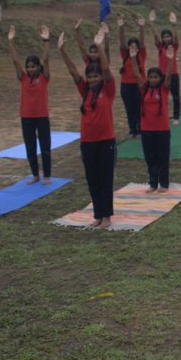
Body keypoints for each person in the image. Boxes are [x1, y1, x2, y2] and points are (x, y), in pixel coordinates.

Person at [58, 25, 117, 228]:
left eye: (95, 77)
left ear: (101, 77)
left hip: (106, 141)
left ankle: (107, 216)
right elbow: (73, 71)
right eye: (90, 77)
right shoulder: (85, 90)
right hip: (88, 142)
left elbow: (107, 69)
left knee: (105, 178)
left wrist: (99, 47)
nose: (92, 80)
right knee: (92, 179)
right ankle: (98, 215)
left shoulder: (108, 90)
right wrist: (62, 51)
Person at [127, 42, 176, 193]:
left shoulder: (164, 89)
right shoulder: (144, 89)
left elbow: (168, 76)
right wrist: (133, 58)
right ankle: (153, 183)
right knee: (150, 157)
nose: (153, 79)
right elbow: (136, 74)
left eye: (156, 77)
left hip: (162, 129)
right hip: (147, 129)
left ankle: (164, 184)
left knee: (162, 157)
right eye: (151, 77)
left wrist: (169, 60)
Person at [7, 24, 53, 185]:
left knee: (45, 147)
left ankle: (47, 175)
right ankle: (35, 174)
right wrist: (11, 41)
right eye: (28, 67)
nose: (30, 69)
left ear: (38, 67)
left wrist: (46, 41)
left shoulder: (44, 77)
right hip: (26, 117)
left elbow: (45, 59)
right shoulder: (23, 78)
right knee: (30, 147)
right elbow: (14, 60)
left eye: (33, 66)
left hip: (41, 116)